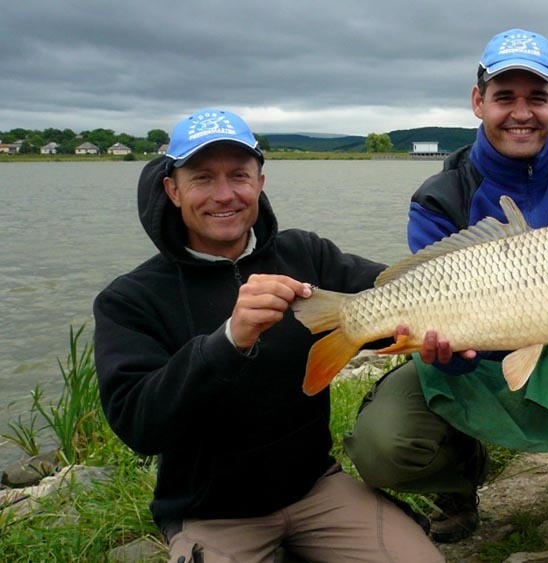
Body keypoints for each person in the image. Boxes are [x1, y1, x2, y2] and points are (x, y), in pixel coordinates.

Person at [343, 29, 548, 563]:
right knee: (383, 444)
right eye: (504, 96)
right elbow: (447, 326)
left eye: (537, 97)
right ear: (478, 102)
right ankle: (458, 476)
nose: (522, 112)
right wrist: (445, 354)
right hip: (476, 351)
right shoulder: (439, 196)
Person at [93, 109, 443, 563]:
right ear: (172, 189)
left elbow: (394, 296)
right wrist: (226, 341)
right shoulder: (130, 299)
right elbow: (139, 424)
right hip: (213, 512)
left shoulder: (305, 254)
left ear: (260, 182)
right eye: (202, 178)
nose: (225, 195)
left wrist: (448, 324)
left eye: (239, 175)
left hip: (317, 487)